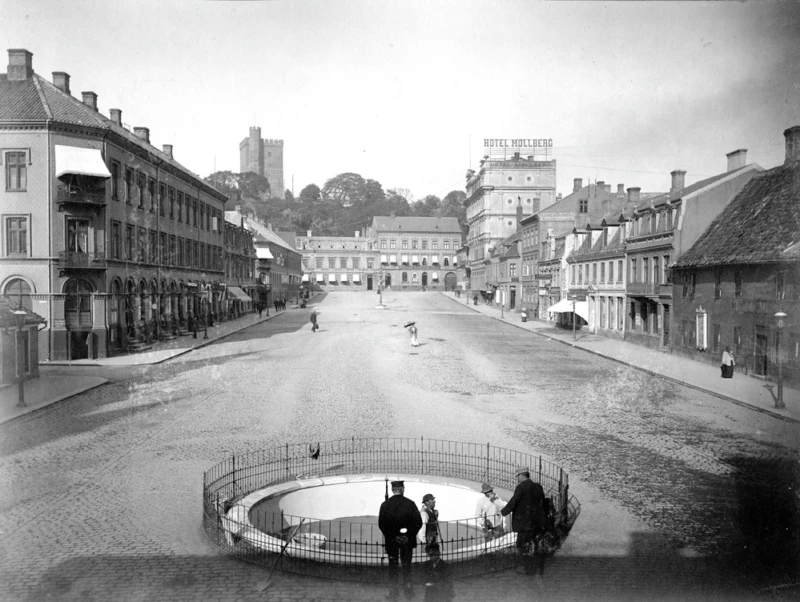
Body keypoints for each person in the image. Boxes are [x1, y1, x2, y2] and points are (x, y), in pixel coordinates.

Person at [379, 480, 423, 600]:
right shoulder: (410, 503)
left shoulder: (385, 505)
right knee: (407, 565)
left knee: (393, 566)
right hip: (407, 541)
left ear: (393, 490)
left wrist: (394, 536)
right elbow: (418, 522)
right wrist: (408, 535)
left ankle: (394, 592)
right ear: (402, 489)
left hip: (392, 542)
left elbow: (382, 525)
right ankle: (408, 591)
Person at [500, 466, 548, 576]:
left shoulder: (520, 487)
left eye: (517, 476)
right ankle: (537, 567)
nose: (517, 479)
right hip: (537, 522)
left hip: (525, 524)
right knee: (534, 545)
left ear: (521, 475)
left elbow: (513, 502)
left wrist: (503, 512)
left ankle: (529, 570)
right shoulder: (538, 486)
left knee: (522, 546)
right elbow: (542, 502)